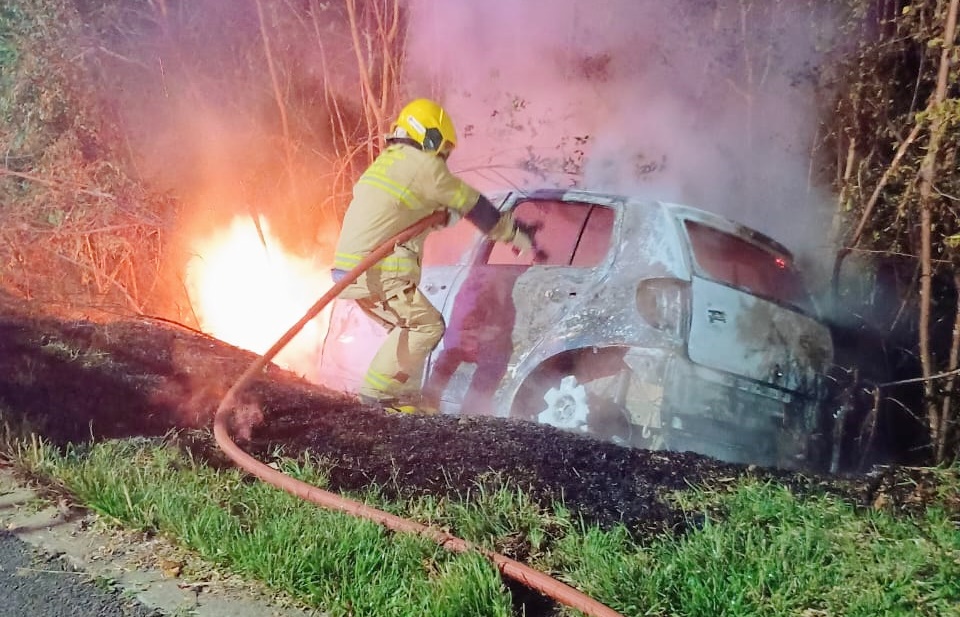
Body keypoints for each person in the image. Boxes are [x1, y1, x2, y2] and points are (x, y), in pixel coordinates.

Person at [331, 98, 537, 412]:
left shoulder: (389, 162)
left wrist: (443, 215)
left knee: (407, 329)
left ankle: (404, 398)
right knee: (426, 327)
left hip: (353, 270)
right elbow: (470, 202)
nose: (443, 156)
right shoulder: (424, 165)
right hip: (378, 271)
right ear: (430, 136)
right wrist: (512, 232)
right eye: (443, 147)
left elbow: (410, 213)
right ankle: (378, 396)